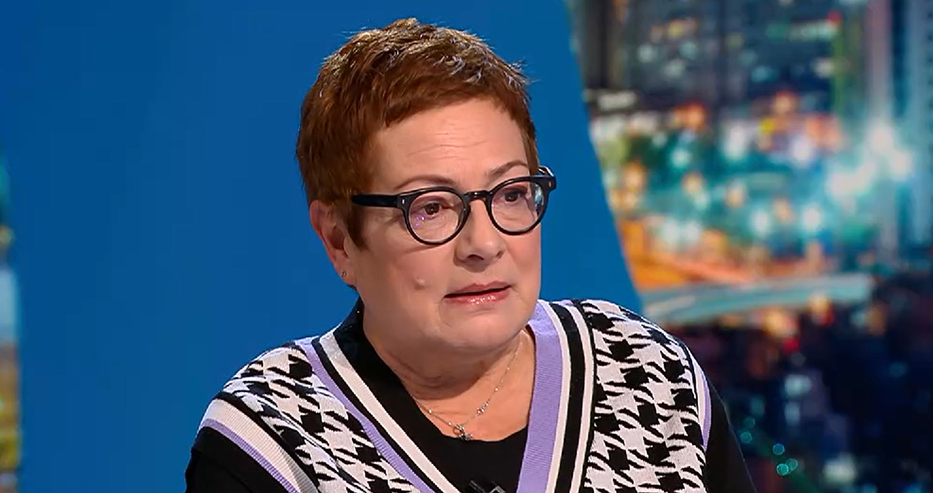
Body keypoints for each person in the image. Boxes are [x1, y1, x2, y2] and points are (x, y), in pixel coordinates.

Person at [184, 18, 756, 493]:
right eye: (431, 208)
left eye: (509, 194)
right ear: (339, 239)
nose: (484, 244)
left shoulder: (646, 373)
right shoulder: (275, 440)